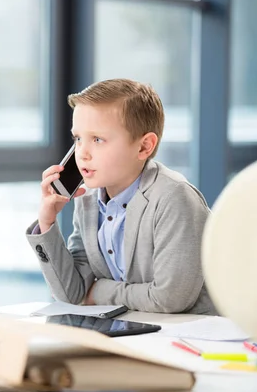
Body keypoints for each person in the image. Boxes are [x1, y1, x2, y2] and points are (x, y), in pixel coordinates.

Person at [26, 78, 217, 315]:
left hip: (192, 339)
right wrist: (47, 223)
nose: (82, 153)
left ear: (144, 147)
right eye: (78, 139)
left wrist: (100, 292)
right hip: (135, 333)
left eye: (97, 139)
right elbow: (73, 293)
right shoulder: (88, 200)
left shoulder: (174, 197)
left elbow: (170, 299)